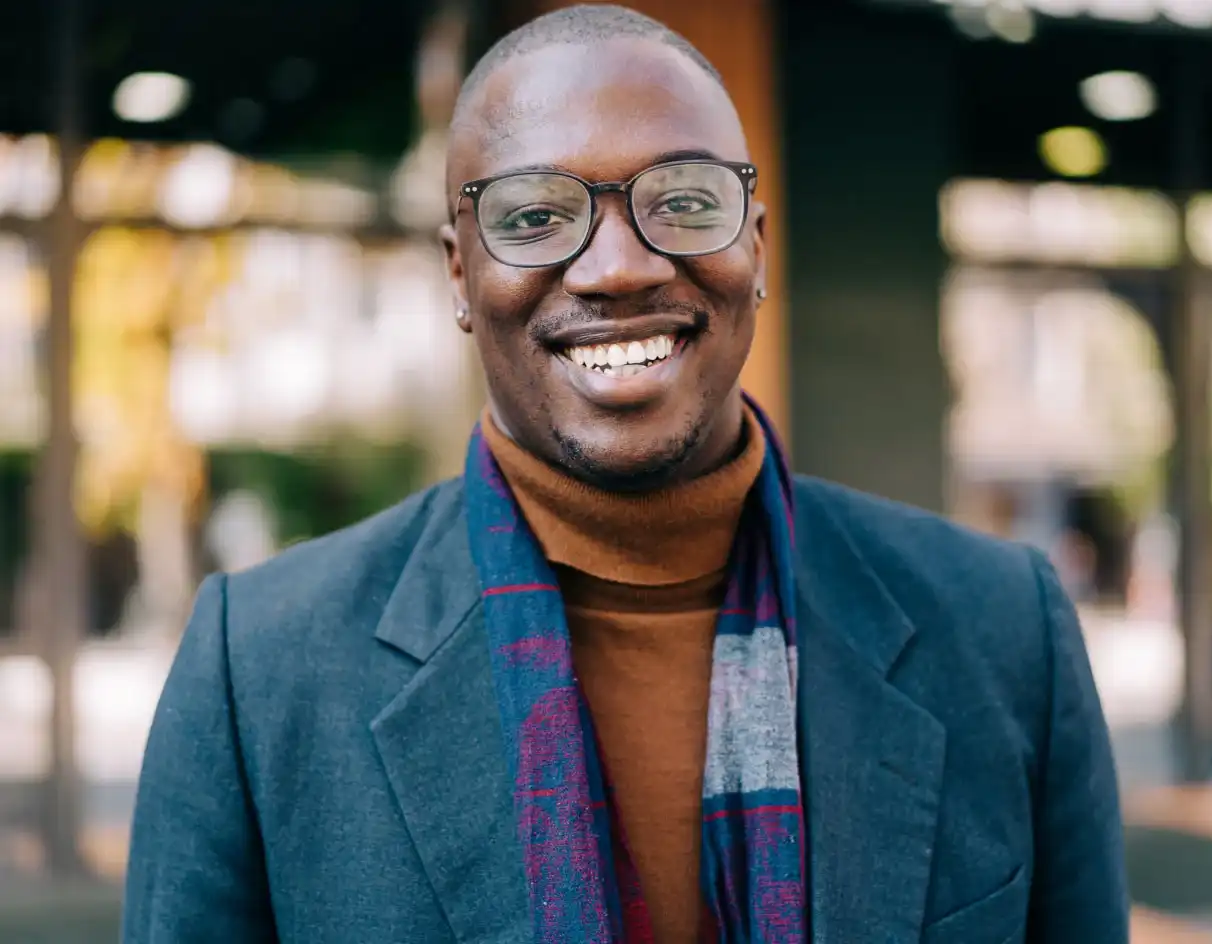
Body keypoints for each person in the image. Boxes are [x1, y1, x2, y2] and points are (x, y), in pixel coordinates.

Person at [121, 6, 1129, 943]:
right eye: (533, 216)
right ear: (460, 275)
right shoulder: (258, 670)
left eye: (684, 200)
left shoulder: (1005, 634)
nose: (618, 268)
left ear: (757, 248)